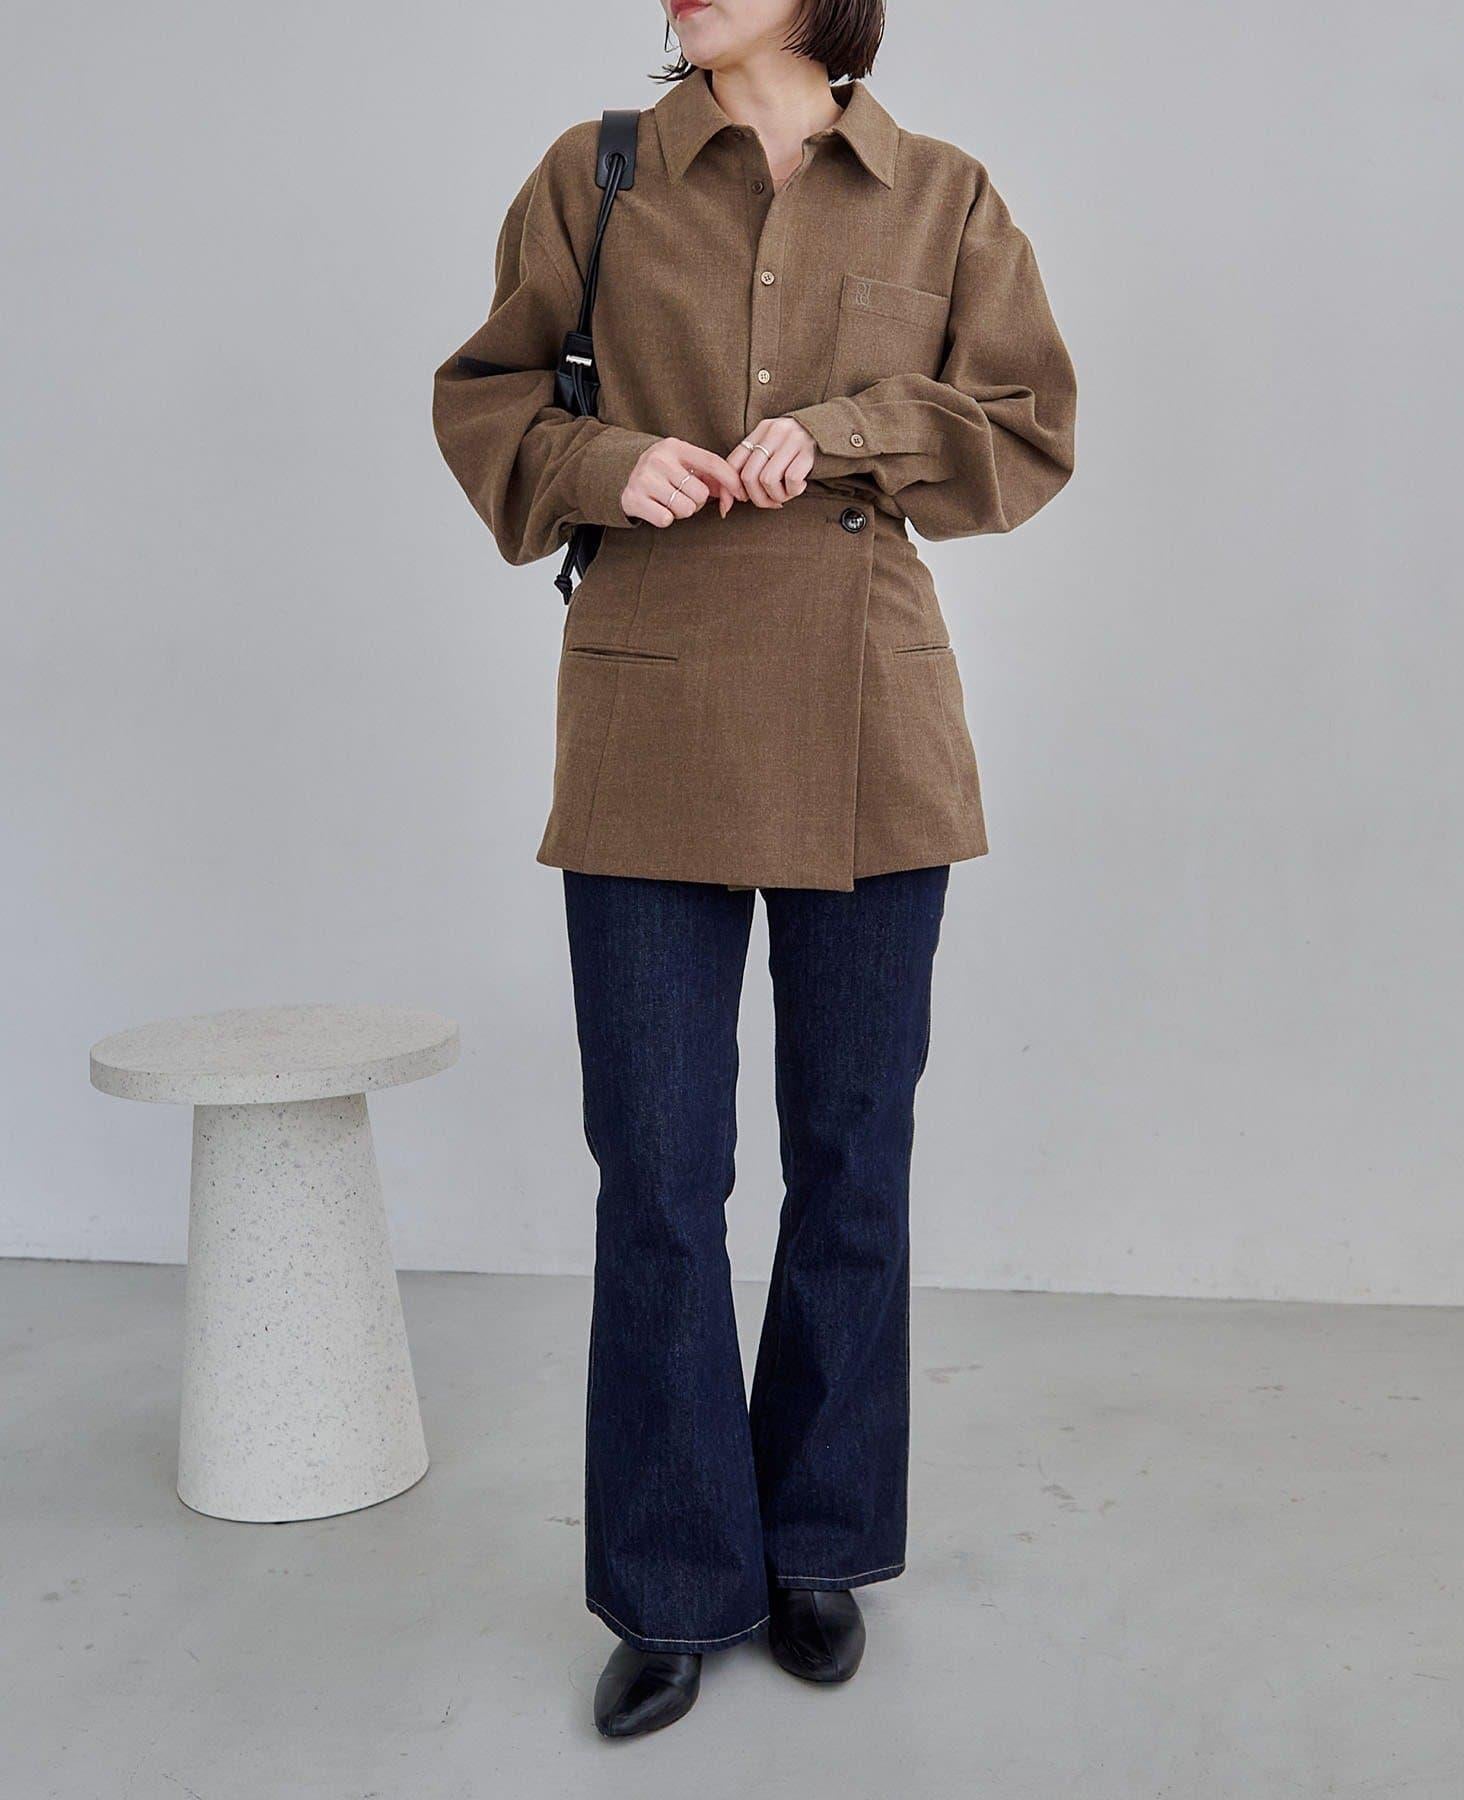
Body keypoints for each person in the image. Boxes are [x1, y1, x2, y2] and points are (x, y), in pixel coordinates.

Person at [432, 0, 1076, 1740]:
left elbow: (1027, 428)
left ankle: (817, 1548)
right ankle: (671, 1582)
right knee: (657, 1171)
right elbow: (486, 397)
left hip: (871, 721)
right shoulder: (597, 175)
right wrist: (603, 457)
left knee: (852, 1159)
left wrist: (857, 430)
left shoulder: (940, 190)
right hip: (650, 713)